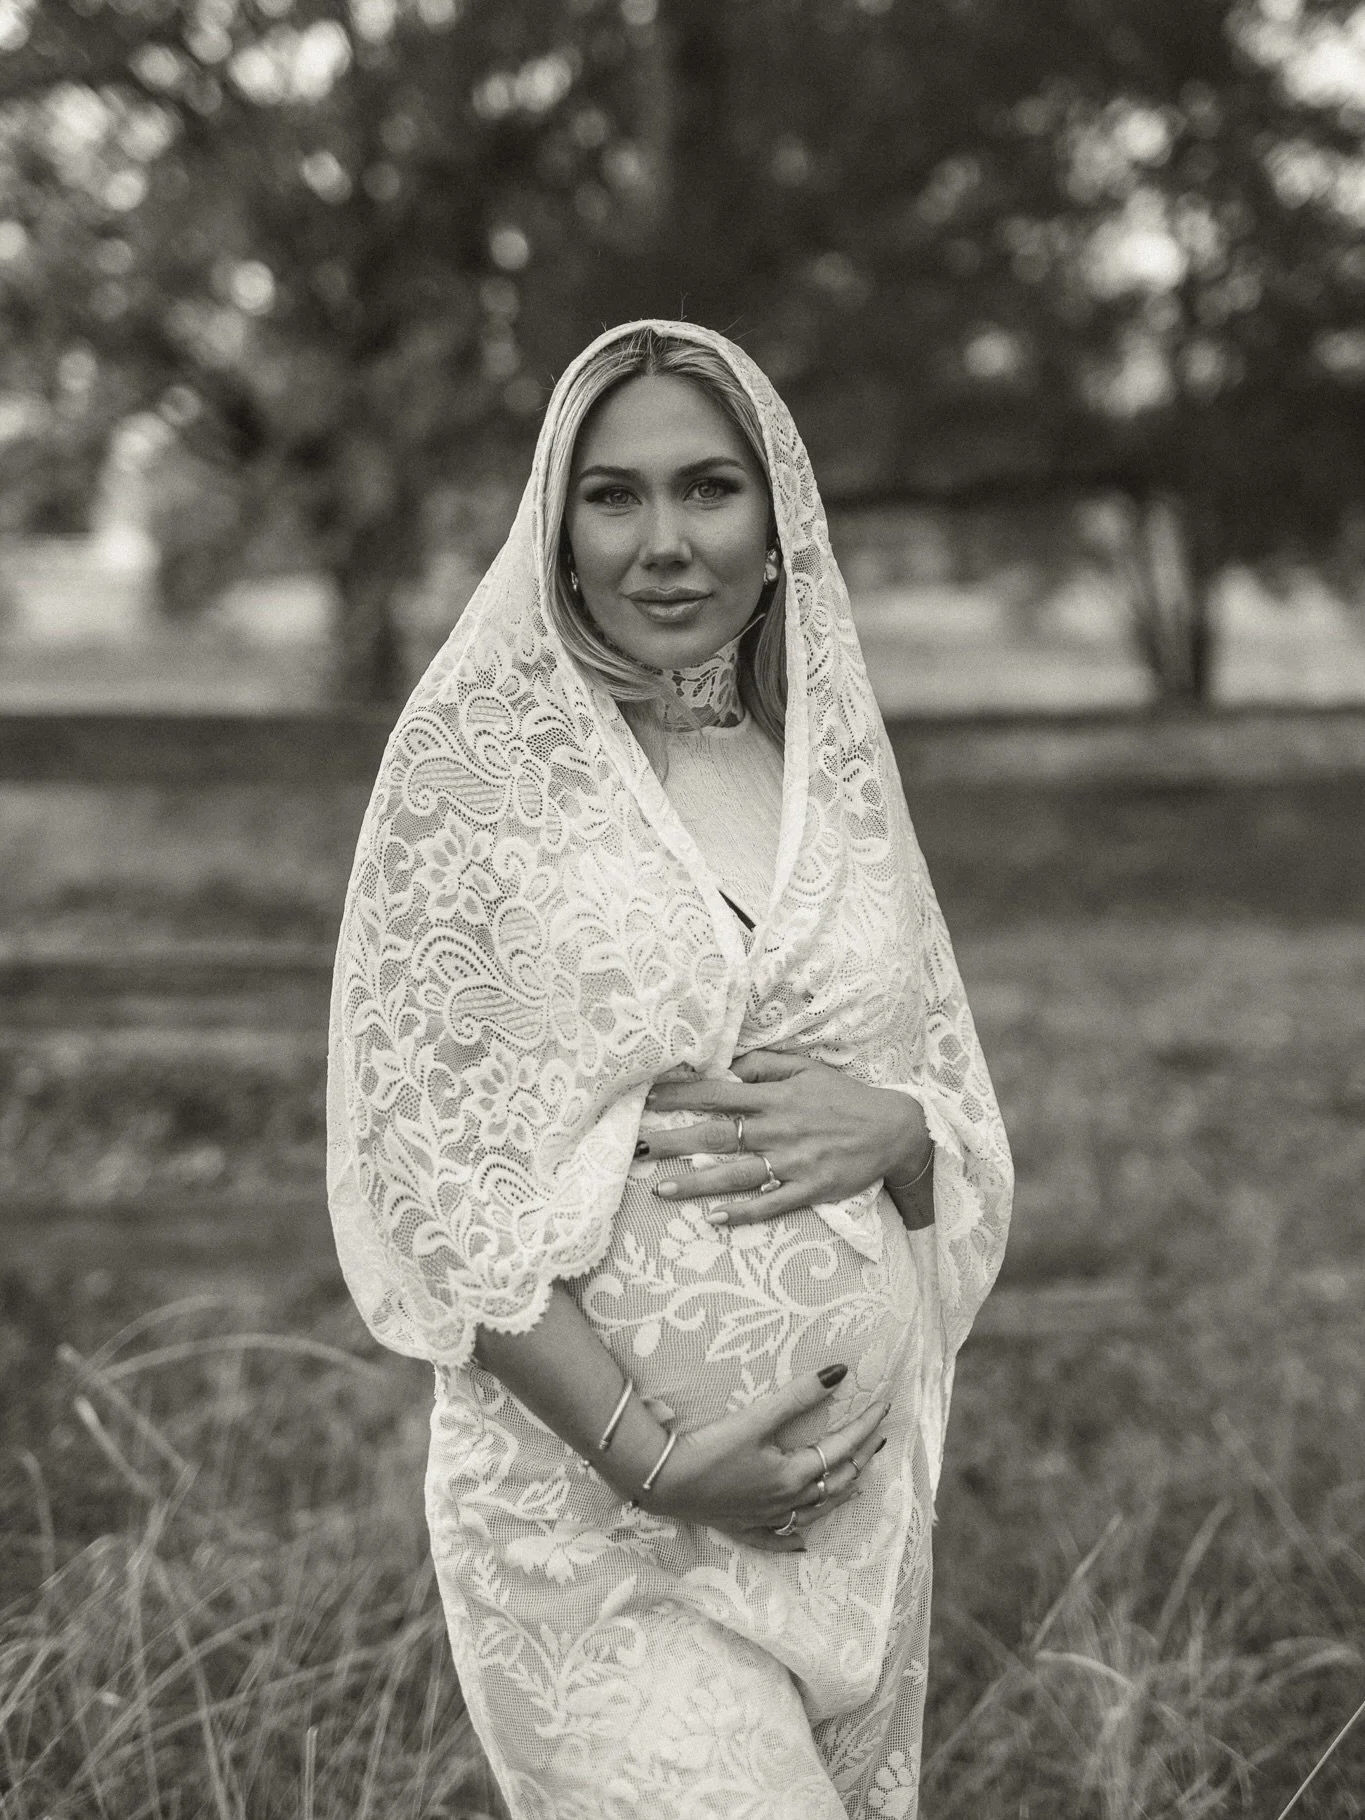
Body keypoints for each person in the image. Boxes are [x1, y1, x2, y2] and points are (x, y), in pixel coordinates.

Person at [327, 320, 1012, 1818]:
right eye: (613, 495)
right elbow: (430, 1167)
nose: (663, 543)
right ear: (554, 528)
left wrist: (901, 1136)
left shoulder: (814, 777)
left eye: (707, 490)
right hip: (595, 1530)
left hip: (844, 1536)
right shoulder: (474, 777)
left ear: (780, 526)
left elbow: (929, 1082)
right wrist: (652, 1458)